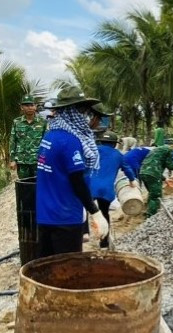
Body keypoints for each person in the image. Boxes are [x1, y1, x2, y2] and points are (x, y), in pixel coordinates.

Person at [35, 86, 108, 256]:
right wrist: (95, 212)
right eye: (82, 110)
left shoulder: (49, 136)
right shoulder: (71, 141)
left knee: (48, 269)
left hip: (45, 215)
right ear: (71, 111)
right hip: (65, 219)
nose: (85, 115)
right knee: (68, 271)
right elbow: (77, 181)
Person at [88, 131, 135, 248]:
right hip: (106, 190)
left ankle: (84, 233)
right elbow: (127, 169)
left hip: (89, 187)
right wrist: (132, 180)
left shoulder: (93, 150)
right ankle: (104, 242)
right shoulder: (118, 155)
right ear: (114, 144)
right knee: (104, 213)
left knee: (84, 211)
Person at [139, 138, 173, 217]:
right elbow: (170, 166)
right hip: (153, 174)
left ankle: (148, 211)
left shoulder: (156, 149)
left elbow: (152, 166)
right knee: (156, 196)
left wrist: (165, 179)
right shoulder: (169, 149)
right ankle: (151, 217)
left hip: (143, 172)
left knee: (152, 194)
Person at [10, 95, 46, 180]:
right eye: (26, 105)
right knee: (24, 186)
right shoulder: (16, 122)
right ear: (22, 107)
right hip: (22, 161)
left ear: (35, 106)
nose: (29, 107)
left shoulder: (43, 122)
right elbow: (13, 140)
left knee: (39, 185)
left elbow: (46, 142)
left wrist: (43, 160)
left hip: (38, 161)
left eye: (32, 105)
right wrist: (12, 160)